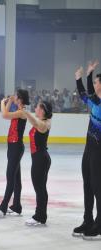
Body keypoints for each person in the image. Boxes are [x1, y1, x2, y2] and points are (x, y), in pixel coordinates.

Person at [73, 62, 101, 240]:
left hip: (99, 151)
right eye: (96, 82)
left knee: (98, 187)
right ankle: (88, 220)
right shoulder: (94, 101)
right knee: (87, 185)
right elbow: (84, 95)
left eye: (98, 82)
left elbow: (89, 94)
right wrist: (79, 78)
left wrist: (89, 75)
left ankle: (99, 224)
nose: (96, 85)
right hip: (89, 149)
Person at [0, 89, 30, 218]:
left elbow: (4, 115)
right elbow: (7, 114)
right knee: (16, 178)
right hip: (12, 146)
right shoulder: (18, 111)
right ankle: (16, 206)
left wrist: (3, 102)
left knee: (10, 176)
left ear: (20, 99)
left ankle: (3, 207)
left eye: (15, 96)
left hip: (16, 147)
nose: (13, 97)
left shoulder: (22, 112)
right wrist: (9, 101)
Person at [24, 101, 52, 226]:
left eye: (37, 107)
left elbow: (36, 122)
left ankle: (39, 216)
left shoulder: (44, 124)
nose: (35, 108)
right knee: (41, 188)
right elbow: (35, 121)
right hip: (40, 158)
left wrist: (25, 112)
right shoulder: (44, 121)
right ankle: (41, 216)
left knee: (39, 189)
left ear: (42, 110)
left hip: (40, 159)